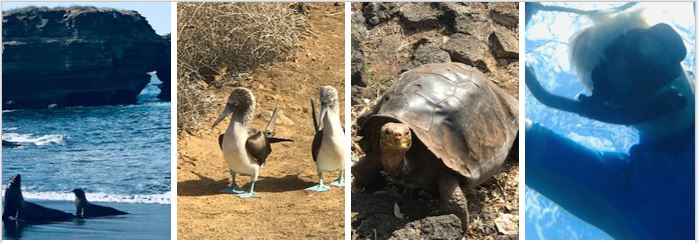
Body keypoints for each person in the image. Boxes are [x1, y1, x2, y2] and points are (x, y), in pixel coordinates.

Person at [526, 9, 695, 240]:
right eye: (622, 80)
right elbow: (512, 132)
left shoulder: (623, 188)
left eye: (653, 52)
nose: (652, 84)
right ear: (607, 109)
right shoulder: (622, 187)